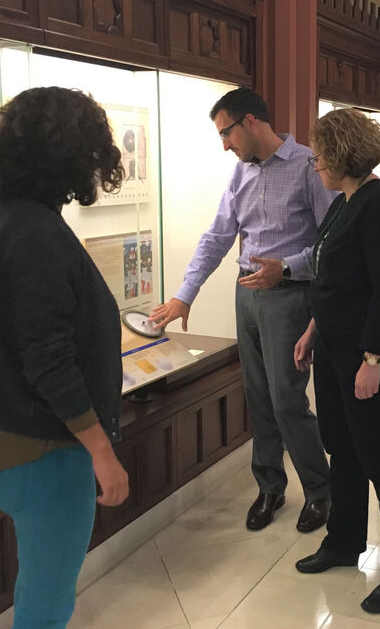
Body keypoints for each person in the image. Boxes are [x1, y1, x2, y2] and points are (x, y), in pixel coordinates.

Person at [0, 86, 129, 628]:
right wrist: (103, 454)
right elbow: (48, 361)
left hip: (14, 437)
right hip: (43, 451)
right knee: (47, 602)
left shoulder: (12, 216)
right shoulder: (34, 232)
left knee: (40, 583)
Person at [149, 88, 334, 533]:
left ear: (250, 121)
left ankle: (319, 490)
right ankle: (270, 487)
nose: (224, 145)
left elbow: (331, 243)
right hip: (246, 295)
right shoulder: (240, 173)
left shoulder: (308, 166)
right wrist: (185, 294)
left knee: (287, 400)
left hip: (289, 297)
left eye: (226, 133)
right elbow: (218, 235)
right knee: (258, 397)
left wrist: (285, 268)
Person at [292, 109, 380, 613]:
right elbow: (333, 280)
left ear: (343, 155)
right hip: (336, 346)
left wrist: (372, 358)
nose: (316, 165)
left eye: (320, 156)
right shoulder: (344, 201)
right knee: (343, 449)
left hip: (373, 351)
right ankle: (344, 542)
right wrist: (313, 330)